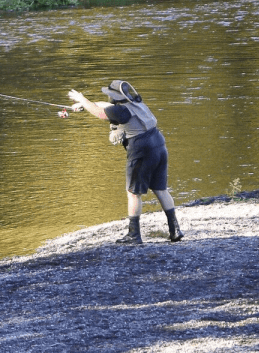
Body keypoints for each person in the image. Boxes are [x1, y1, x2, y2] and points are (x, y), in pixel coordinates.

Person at [68, 80, 183, 244]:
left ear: (113, 96)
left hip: (142, 149)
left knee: (133, 193)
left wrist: (82, 99)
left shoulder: (120, 111)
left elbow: (99, 112)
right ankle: (175, 230)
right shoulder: (136, 103)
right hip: (159, 144)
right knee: (160, 189)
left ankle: (134, 235)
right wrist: (84, 105)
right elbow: (105, 107)